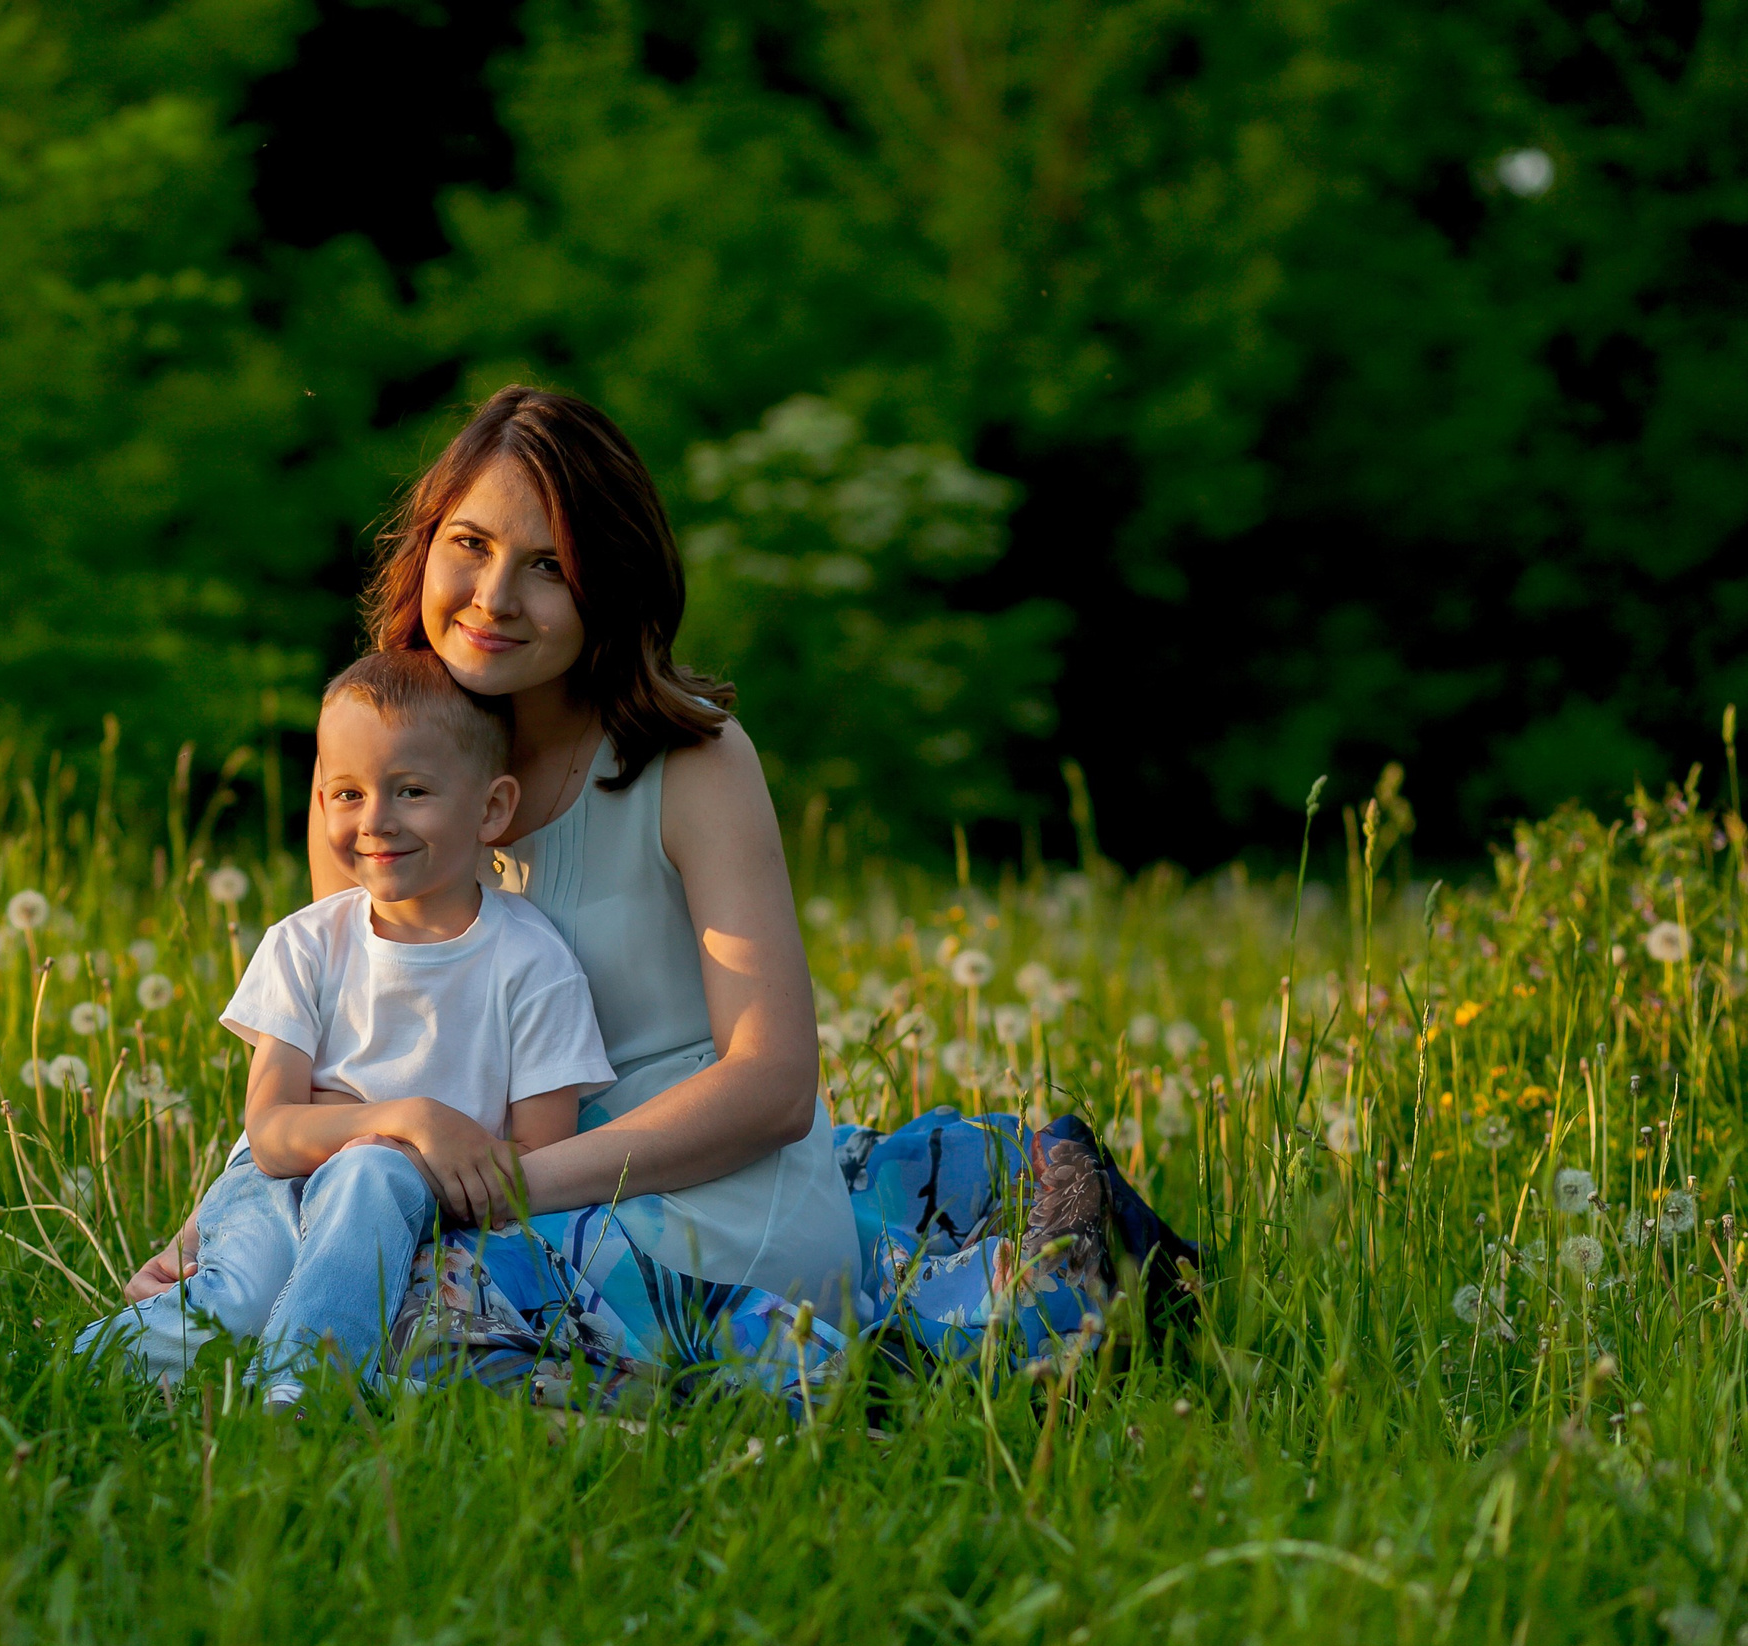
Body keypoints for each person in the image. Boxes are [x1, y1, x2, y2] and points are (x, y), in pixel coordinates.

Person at [127, 385, 1177, 1396]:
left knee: (407, 1322)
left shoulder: (691, 760)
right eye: (471, 545)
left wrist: (503, 1193)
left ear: (610, 587)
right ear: (425, 545)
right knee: (283, 1300)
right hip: (444, 1181)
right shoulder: (380, 763)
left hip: (684, 1190)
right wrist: (213, 1234)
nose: (493, 598)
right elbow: (342, 1074)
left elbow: (771, 1084)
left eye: (548, 567)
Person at [78, 649, 614, 1409]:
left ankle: (300, 1394)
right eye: (347, 792)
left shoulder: (532, 962)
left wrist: (387, 1151)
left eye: (412, 790)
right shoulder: (305, 943)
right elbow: (268, 1135)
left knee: (372, 1174)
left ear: (492, 808)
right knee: (234, 1298)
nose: (376, 821)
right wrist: (412, 1119)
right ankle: (76, 1372)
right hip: (274, 1190)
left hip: (418, 1216)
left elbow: (540, 1157)